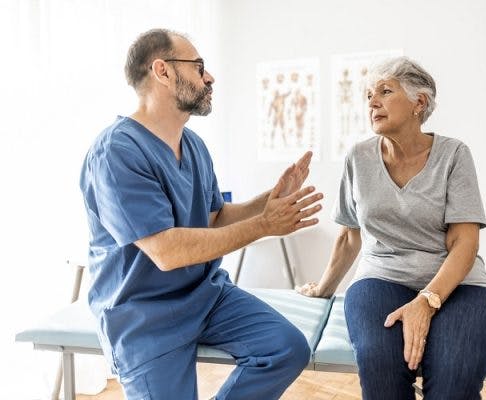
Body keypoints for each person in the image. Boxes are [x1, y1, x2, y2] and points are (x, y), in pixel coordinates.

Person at [79, 28, 322, 400]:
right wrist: (264, 225)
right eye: (198, 67)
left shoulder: (193, 144)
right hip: (144, 316)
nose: (209, 78)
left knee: (287, 348)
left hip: (206, 295)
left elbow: (214, 218)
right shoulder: (116, 152)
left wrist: (268, 200)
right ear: (162, 71)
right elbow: (168, 251)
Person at [297, 56, 486, 400]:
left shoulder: (454, 155)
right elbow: (350, 236)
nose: (372, 102)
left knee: (453, 380)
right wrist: (323, 288)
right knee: (381, 374)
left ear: (418, 103)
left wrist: (427, 300)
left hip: (461, 286)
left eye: (384, 91)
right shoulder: (358, 158)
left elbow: (464, 242)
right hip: (382, 278)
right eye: (368, 95)